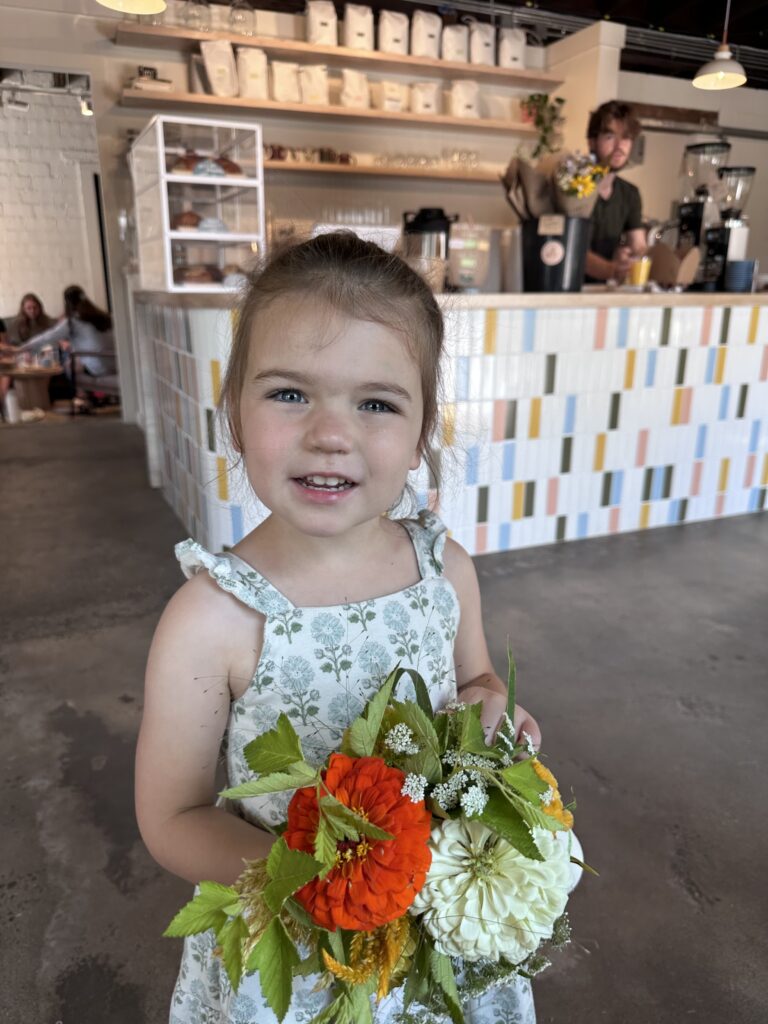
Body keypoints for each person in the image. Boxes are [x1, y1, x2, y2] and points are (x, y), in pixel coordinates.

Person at [135, 232, 543, 1024]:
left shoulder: (444, 570)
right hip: (297, 947)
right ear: (233, 414)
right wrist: (320, 877)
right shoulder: (214, 619)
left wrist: (496, 714)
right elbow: (172, 819)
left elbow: (478, 683)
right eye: (290, 394)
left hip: (434, 933)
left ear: (424, 431)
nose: (331, 432)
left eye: (377, 403)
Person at [16, 285, 114, 409]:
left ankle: (83, 397)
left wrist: (22, 348)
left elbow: (47, 337)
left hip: (99, 366)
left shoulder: (73, 321)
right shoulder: (102, 316)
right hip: (115, 362)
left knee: (69, 364)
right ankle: (95, 396)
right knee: (72, 357)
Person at [584, 100, 647, 283]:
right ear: (592, 142)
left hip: (607, 293)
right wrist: (613, 269)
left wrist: (631, 259)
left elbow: (639, 246)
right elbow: (573, 250)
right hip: (569, 293)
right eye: (610, 137)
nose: (620, 146)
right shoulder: (573, 187)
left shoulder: (630, 194)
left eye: (626, 137)